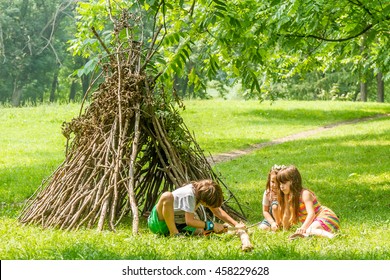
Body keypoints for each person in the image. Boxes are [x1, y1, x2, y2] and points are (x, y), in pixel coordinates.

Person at [148, 179, 245, 236]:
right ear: (203, 201)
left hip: (178, 222)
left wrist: (235, 224)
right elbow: (189, 221)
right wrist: (212, 225)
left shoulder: (201, 193)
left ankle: (176, 231)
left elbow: (218, 211)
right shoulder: (190, 195)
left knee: (202, 232)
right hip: (159, 223)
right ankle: (174, 233)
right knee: (167, 195)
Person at [277, 165, 340, 239]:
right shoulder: (288, 196)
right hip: (315, 223)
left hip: (326, 217)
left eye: (284, 183)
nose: (281, 186)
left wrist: (303, 228)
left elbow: (311, 214)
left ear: (293, 181)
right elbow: (287, 214)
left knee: (309, 230)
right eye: (280, 184)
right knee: (306, 234)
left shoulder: (305, 194)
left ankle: (332, 236)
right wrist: (285, 231)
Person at [258, 165, 284, 231]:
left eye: (278, 182)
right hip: (271, 218)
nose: (275, 185)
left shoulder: (285, 191)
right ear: (269, 180)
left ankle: (280, 226)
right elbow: (265, 211)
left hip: (284, 216)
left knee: (275, 206)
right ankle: (274, 226)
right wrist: (272, 223)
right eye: (272, 182)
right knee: (262, 228)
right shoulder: (267, 193)